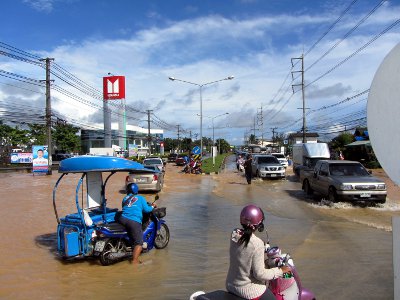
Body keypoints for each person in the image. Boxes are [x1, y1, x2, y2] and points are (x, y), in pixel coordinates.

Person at [226, 205, 291, 300]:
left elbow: (245, 246)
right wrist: (281, 271)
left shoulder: (235, 233)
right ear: (259, 225)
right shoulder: (257, 244)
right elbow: (260, 274)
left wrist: (264, 247)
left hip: (231, 285)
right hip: (248, 291)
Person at [118, 183, 156, 265]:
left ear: (127, 190)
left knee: (131, 234)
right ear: (136, 190)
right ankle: (134, 261)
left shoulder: (125, 198)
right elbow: (146, 210)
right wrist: (152, 206)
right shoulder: (141, 198)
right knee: (139, 242)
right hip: (133, 220)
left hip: (122, 219)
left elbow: (126, 208)